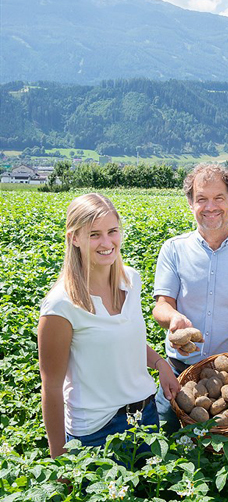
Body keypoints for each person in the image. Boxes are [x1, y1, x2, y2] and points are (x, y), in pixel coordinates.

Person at [38, 193, 180, 459]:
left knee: (149, 496)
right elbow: (52, 387)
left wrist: (161, 364)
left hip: (145, 417)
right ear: (74, 238)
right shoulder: (61, 305)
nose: (106, 243)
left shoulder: (131, 281)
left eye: (112, 231)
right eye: (94, 234)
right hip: (95, 431)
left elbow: (128, 342)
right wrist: (59, 459)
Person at [152, 163, 228, 431]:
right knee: (165, 448)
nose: (211, 207)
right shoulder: (173, 250)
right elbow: (162, 306)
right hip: (178, 372)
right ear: (190, 203)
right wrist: (174, 319)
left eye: (219, 198)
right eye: (202, 199)